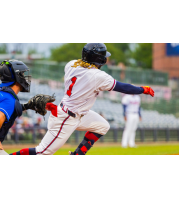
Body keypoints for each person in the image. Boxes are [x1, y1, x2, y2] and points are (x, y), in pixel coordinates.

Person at [11, 43, 154, 155]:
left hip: (76, 112)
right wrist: (143, 89)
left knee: (103, 126)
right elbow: (123, 87)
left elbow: (83, 70)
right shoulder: (98, 76)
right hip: (66, 118)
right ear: (100, 59)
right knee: (42, 152)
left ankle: (77, 155)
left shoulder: (71, 64)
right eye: (104, 56)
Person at [0, 60, 54, 155]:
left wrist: (27, 106)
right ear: (16, 76)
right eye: (22, 73)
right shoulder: (8, 98)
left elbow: (1, 109)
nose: (25, 77)